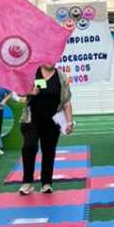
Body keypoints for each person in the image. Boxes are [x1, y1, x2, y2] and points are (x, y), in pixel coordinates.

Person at [19, 62, 73, 196]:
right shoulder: (32, 72)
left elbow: (66, 101)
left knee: (49, 150)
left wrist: (69, 121)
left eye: (53, 59)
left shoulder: (61, 76)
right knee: (29, 146)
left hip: (52, 120)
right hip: (31, 119)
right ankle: (27, 182)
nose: (50, 61)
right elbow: (19, 91)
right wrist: (29, 91)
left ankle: (46, 183)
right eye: (48, 58)